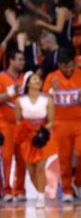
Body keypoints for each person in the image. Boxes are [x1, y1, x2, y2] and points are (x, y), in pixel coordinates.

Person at [43, 51, 81, 201]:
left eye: (71, 66)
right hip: (60, 122)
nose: (69, 69)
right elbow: (44, 100)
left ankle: (78, 183)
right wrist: (52, 90)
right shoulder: (51, 77)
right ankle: (67, 190)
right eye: (65, 67)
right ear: (59, 65)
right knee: (64, 158)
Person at [14, 72, 55, 208]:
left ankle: (41, 197)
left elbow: (51, 121)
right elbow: (18, 120)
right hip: (27, 137)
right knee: (31, 170)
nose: (38, 81)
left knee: (40, 167)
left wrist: (42, 131)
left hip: (42, 136)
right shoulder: (20, 101)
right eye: (34, 79)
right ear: (28, 84)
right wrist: (25, 130)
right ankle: (40, 191)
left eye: (39, 79)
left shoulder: (47, 100)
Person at [0, 50, 25, 202]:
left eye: (23, 60)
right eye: (20, 59)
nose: (22, 62)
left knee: (22, 158)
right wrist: (8, 94)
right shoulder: (1, 77)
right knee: (6, 157)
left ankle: (20, 190)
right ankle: (6, 190)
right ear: (11, 60)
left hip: (22, 124)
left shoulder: (25, 79)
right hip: (4, 123)